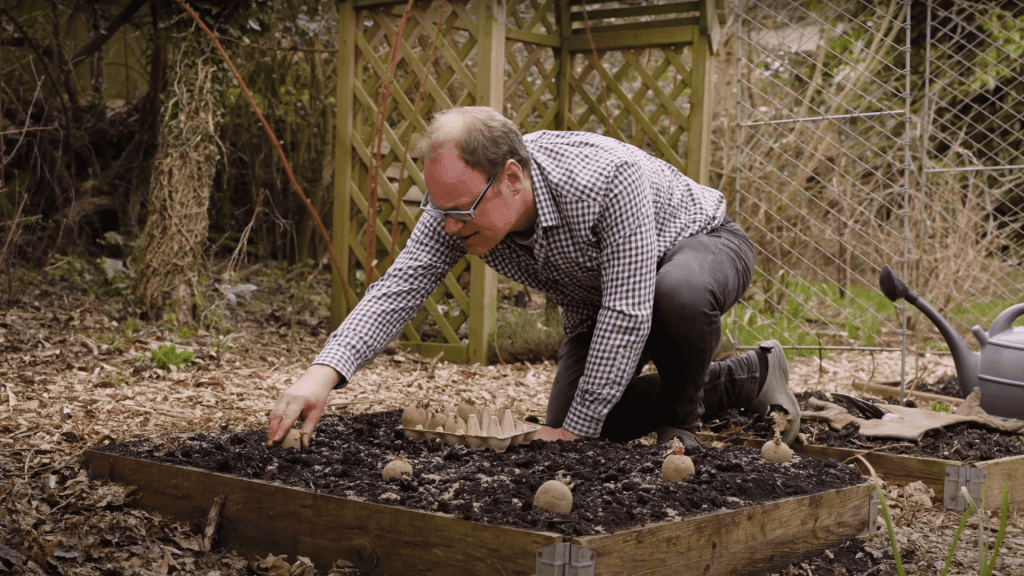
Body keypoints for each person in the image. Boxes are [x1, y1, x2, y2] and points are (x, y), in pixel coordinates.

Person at [267, 106, 800, 449]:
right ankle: (749, 376)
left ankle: (681, 424)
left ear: (512, 178)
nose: (449, 225)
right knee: (583, 424)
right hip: (599, 299)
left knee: (673, 298)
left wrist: (577, 428)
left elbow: (628, 309)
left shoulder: (606, 177)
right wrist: (322, 375)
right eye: (439, 208)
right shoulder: (456, 209)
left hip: (699, 248)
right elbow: (401, 286)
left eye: (460, 210)